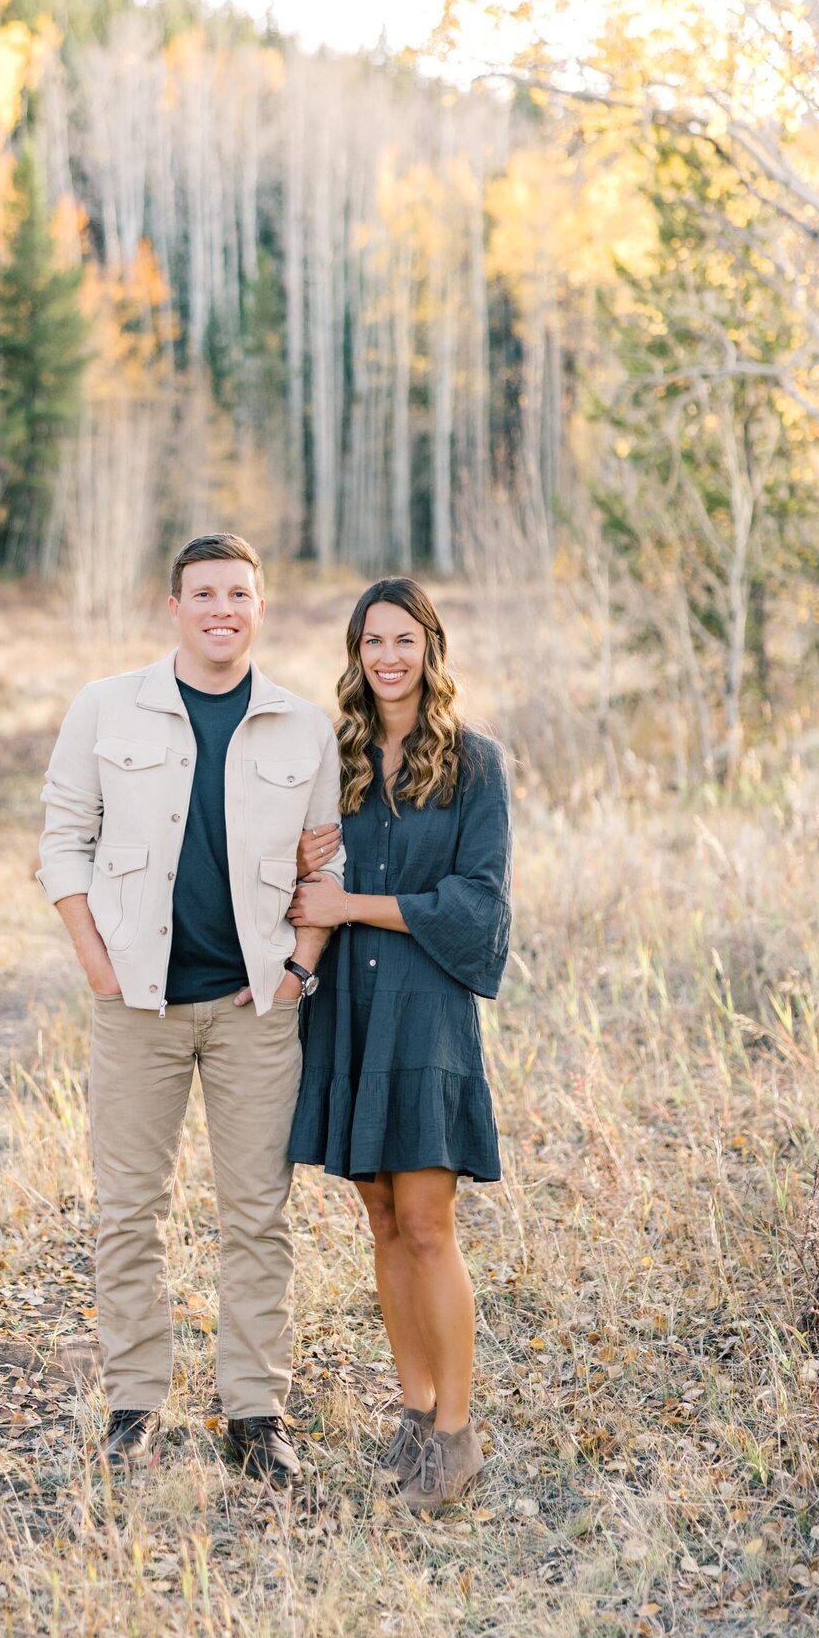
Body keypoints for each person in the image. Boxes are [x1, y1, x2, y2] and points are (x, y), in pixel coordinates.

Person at [37, 534, 344, 1487]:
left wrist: (299, 968)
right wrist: (96, 961)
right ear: (173, 605)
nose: (222, 607)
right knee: (129, 1209)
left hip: (257, 1010)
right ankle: (134, 1402)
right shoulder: (105, 706)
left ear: (261, 605)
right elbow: (62, 837)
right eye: (204, 592)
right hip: (137, 1007)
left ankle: (256, 1411)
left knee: (257, 1215)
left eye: (240, 593)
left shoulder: (302, 726)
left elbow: (326, 863)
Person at [286, 577, 511, 1512]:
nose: (388, 657)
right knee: (379, 1220)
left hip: (425, 1015)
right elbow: (296, 864)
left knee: (427, 1222)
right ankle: (416, 1414)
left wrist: (352, 906)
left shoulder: (473, 764)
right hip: (346, 1010)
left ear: (431, 647)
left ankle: (457, 1435)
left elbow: (480, 905)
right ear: (355, 650)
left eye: (404, 640)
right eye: (373, 641)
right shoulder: (328, 757)